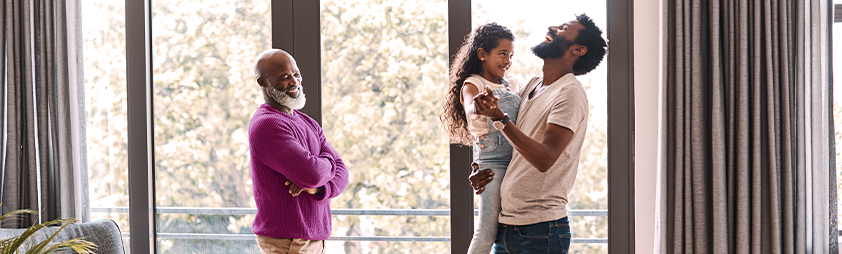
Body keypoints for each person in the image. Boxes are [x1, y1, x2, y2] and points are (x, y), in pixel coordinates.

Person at [469, 14, 607, 253]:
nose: (552, 27)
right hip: (507, 226)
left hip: (541, 230)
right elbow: (514, 146)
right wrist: (485, 169)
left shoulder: (570, 92)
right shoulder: (532, 85)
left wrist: (499, 118)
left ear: (578, 49)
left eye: (563, 28)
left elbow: (545, 158)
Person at [248, 49, 349, 254]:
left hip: (309, 240)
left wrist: (317, 189)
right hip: (290, 242)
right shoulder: (267, 125)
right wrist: (324, 166)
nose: (294, 82)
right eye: (284, 77)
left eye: (296, 74)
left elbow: (343, 174)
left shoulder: (306, 122)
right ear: (262, 82)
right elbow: (313, 174)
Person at [442, 23, 522, 254]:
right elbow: (470, 108)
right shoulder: (474, 84)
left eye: (511, 55)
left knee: (511, 229)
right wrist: (479, 108)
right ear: (482, 54)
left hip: (519, 160)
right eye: (502, 53)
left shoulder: (513, 84)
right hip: (492, 164)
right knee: (487, 233)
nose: (508, 60)